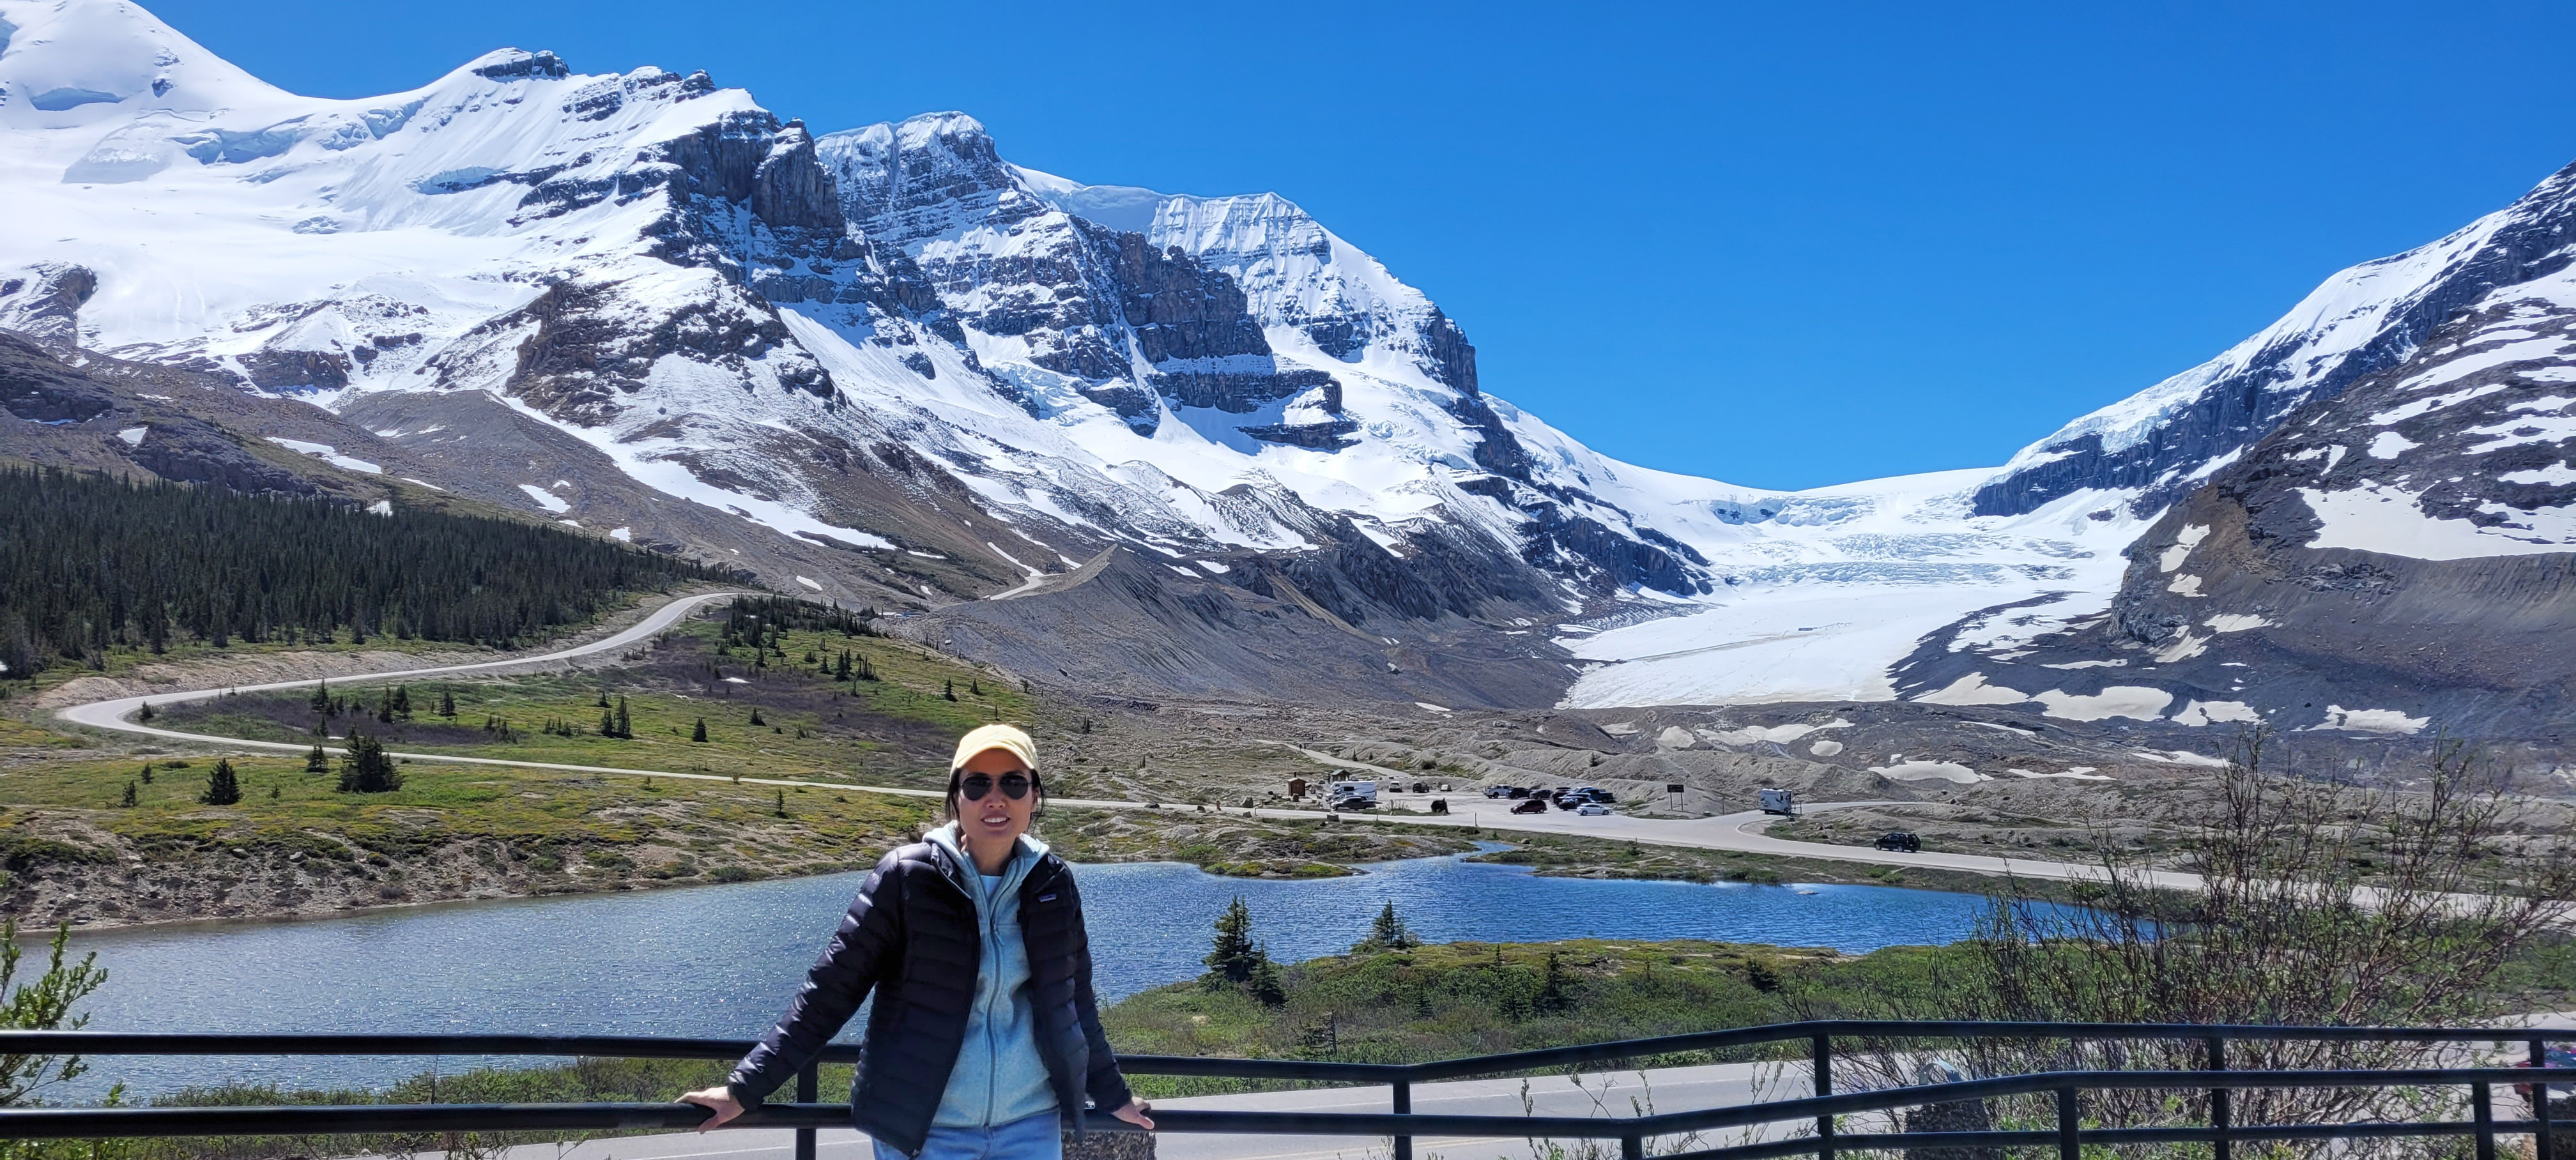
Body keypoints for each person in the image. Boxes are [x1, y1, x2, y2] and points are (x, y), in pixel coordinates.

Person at [679, 724, 1154, 1160]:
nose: (996, 799)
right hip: (924, 1133)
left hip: (1030, 1128)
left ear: (1034, 797)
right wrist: (745, 1089)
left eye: (1013, 783)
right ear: (956, 798)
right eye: (977, 784)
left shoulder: (1053, 884)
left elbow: (1075, 1005)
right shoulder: (905, 878)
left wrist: (1113, 1095)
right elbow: (829, 993)